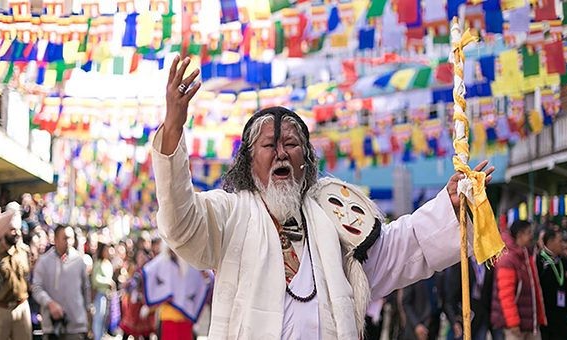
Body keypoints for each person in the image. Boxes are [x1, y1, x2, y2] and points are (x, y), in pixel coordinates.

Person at [152, 56, 496, 339]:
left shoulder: (334, 215)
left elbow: (398, 249)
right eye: (269, 146)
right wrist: (173, 129)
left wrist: (447, 206)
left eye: (291, 144)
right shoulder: (228, 212)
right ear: (248, 161)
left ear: (306, 160)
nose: (281, 154)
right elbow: (181, 223)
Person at [32, 225, 91, 340]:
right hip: (52, 327)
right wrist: (49, 303)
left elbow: (85, 288)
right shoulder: (44, 262)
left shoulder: (79, 261)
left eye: (71, 238)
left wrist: (87, 314)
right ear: (55, 239)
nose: (69, 242)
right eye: (65, 238)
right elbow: (36, 288)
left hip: (76, 326)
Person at [490, 220, 546, 340]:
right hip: (515, 327)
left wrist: (539, 317)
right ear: (520, 235)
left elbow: (535, 289)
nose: (532, 236)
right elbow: (506, 295)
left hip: (530, 323)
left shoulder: (527, 254)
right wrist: (513, 323)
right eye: (529, 233)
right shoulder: (507, 259)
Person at [0, 206, 32, 340]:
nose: (17, 233)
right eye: (12, 230)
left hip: (22, 306)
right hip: (1, 309)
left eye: (18, 230)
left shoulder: (24, 251)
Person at [444, 257, 498, 340]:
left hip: (481, 315)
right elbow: (451, 295)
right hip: (463, 315)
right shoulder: (460, 263)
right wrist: (454, 320)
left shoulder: (487, 262)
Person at [536, 229, 567, 340]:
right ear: (550, 242)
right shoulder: (539, 262)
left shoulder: (562, 262)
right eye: (560, 241)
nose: (562, 245)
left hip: (563, 316)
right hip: (546, 318)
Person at [91, 242, 115, 340]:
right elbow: (95, 279)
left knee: (104, 318)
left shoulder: (108, 263)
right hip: (100, 294)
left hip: (107, 295)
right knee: (98, 318)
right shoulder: (98, 263)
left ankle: (101, 336)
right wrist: (107, 282)